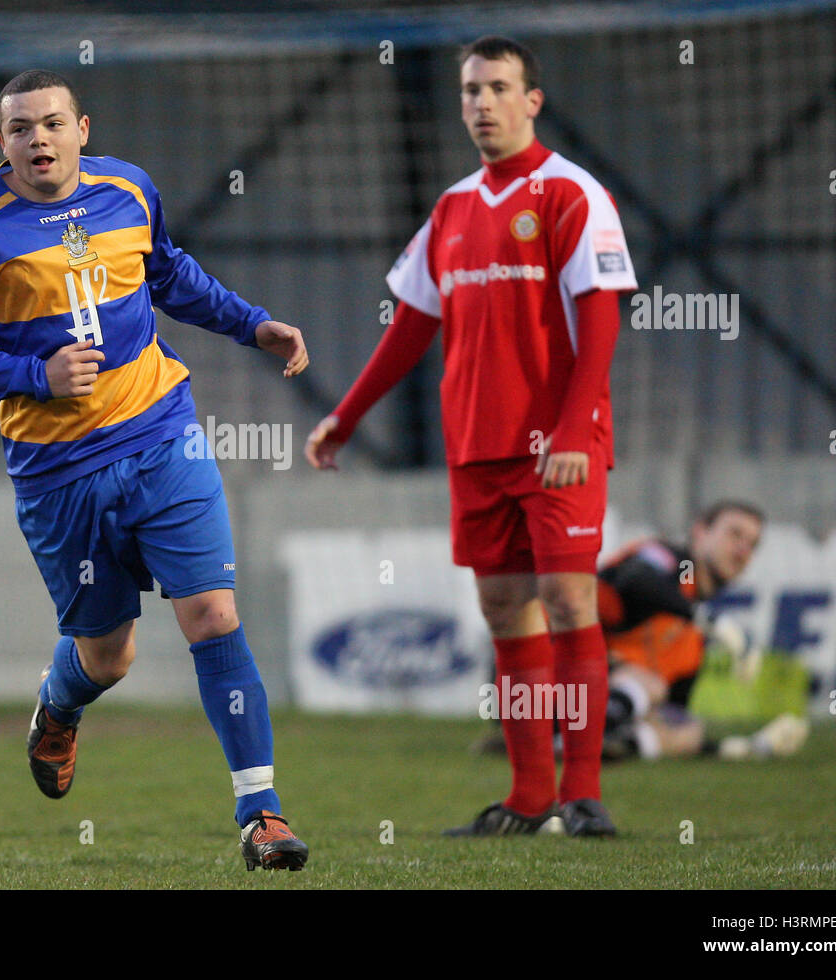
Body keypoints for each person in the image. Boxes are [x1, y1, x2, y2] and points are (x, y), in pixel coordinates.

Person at [0, 70, 310, 871]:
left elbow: (168, 274)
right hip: (57, 473)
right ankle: (59, 705)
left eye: (53, 123)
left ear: (82, 127)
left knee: (212, 614)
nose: (39, 139)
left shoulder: (130, 190)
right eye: (21, 128)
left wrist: (252, 325)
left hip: (164, 434)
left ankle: (260, 814)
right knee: (109, 656)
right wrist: (37, 376)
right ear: (2, 142)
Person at [306, 36, 637, 837]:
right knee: (503, 611)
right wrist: (345, 417)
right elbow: (410, 328)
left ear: (532, 100)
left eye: (497, 87)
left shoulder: (572, 194)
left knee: (566, 599)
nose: (481, 103)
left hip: (559, 445)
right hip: (477, 449)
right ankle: (528, 799)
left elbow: (600, 323)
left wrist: (567, 429)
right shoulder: (452, 210)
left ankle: (584, 795)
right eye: (469, 91)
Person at [600, 499, 809, 761]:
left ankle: (604, 742)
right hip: (549, 677)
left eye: (753, 545)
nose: (743, 551)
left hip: (581, 701)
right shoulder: (668, 559)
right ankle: (586, 733)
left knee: (688, 729)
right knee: (650, 685)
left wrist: (745, 746)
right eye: (735, 534)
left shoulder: (690, 641)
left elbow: (670, 713)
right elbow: (634, 580)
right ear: (700, 532)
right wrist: (710, 621)